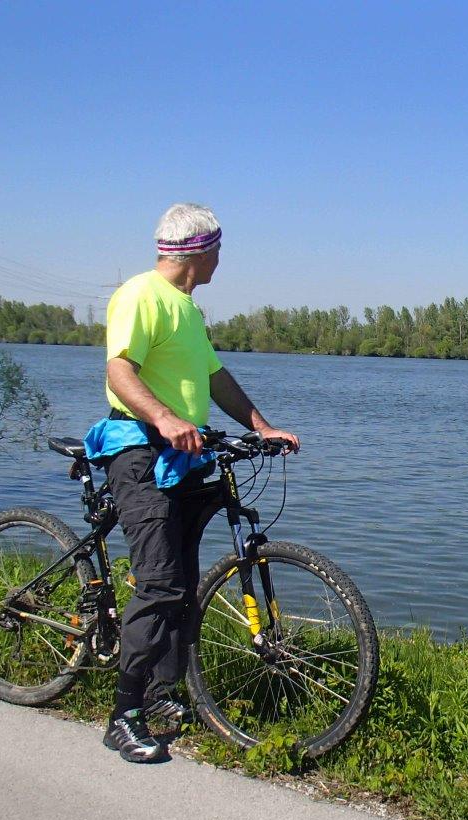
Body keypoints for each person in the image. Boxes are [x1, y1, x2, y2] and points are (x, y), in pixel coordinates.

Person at [95, 202, 299, 763]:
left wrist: (260, 426)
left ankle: (165, 693)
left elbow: (214, 377)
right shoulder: (140, 294)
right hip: (139, 451)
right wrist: (163, 418)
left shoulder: (187, 310)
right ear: (198, 250)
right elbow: (120, 369)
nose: (221, 258)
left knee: (181, 580)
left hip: (184, 454)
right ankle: (124, 715)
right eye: (218, 247)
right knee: (160, 583)